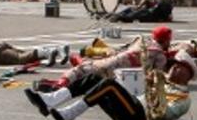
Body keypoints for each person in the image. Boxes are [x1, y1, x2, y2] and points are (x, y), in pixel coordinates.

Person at [43, 49, 197, 120]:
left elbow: (160, 115)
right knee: (95, 79)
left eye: (179, 67)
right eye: (174, 65)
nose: (173, 68)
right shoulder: (163, 80)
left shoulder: (184, 99)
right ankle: (53, 99)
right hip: (131, 108)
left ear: (188, 75)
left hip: (140, 118)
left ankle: (69, 114)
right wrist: (150, 83)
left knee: (109, 84)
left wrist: (153, 89)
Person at [25, 27, 171, 112]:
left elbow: (124, 49)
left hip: (116, 62)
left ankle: (54, 91)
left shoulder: (142, 40)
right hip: (123, 75)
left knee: (84, 71)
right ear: (165, 40)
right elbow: (158, 75)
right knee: (87, 73)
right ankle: (54, 92)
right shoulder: (159, 54)